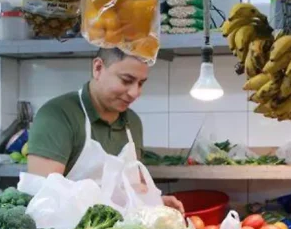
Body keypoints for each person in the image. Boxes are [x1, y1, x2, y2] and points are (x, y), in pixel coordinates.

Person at [26, 47, 184, 213]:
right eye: (126, 80)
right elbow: (42, 201)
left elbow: (132, 189)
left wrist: (153, 204)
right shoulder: (57, 116)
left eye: (141, 83)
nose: (135, 92)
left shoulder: (133, 122)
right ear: (98, 68)